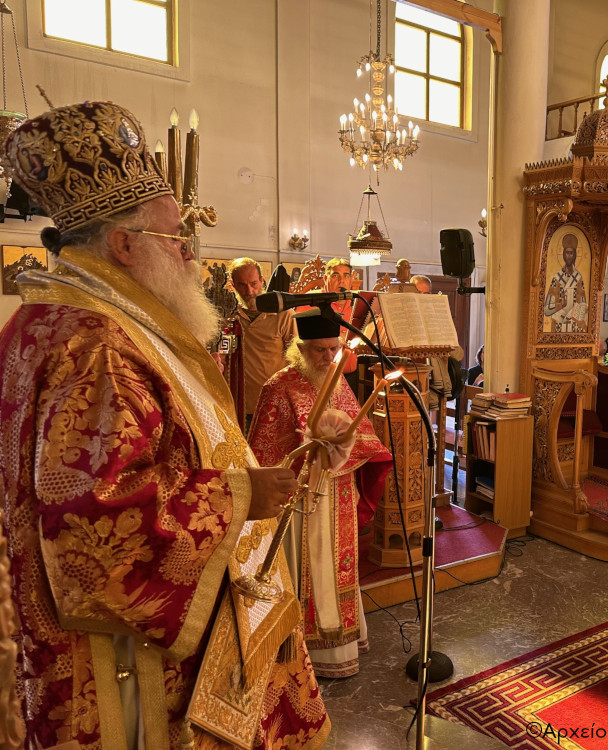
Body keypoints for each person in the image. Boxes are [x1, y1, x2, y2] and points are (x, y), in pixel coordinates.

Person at [0, 101, 328, 747]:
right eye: (176, 237)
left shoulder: (47, 319)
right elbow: (95, 518)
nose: (188, 253)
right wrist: (242, 494)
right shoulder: (96, 342)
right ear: (124, 244)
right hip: (122, 658)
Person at [249, 312, 393, 677]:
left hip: (338, 491)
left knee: (338, 570)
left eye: (334, 349)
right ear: (300, 349)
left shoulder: (337, 382)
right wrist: (304, 455)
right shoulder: (278, 386)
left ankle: (342, 644)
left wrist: (346, 447)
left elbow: (358, 432)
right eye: (320, 350)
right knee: (309, 569)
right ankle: (302, 650)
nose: (329, 358)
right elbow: (263, 453)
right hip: (299, 499)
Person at [231, 256, 298, 425]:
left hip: (273, 404)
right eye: (242, 285)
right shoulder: (229, 315)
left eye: (253, 284)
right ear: (233, 285)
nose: (249, 291)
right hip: (237, 403)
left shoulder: (283, 314)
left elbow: (296, 360)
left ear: (262, 281)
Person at [544, 233, 588, 332]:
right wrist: (560, 305)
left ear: (575, 255)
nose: (569, 256)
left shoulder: (578, 278)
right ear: (563, 254)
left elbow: (583, 306)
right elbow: (546, 310)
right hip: (558, 327)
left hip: (574, 328)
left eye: (571, 253)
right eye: (567, 253)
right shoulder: (557, 278)